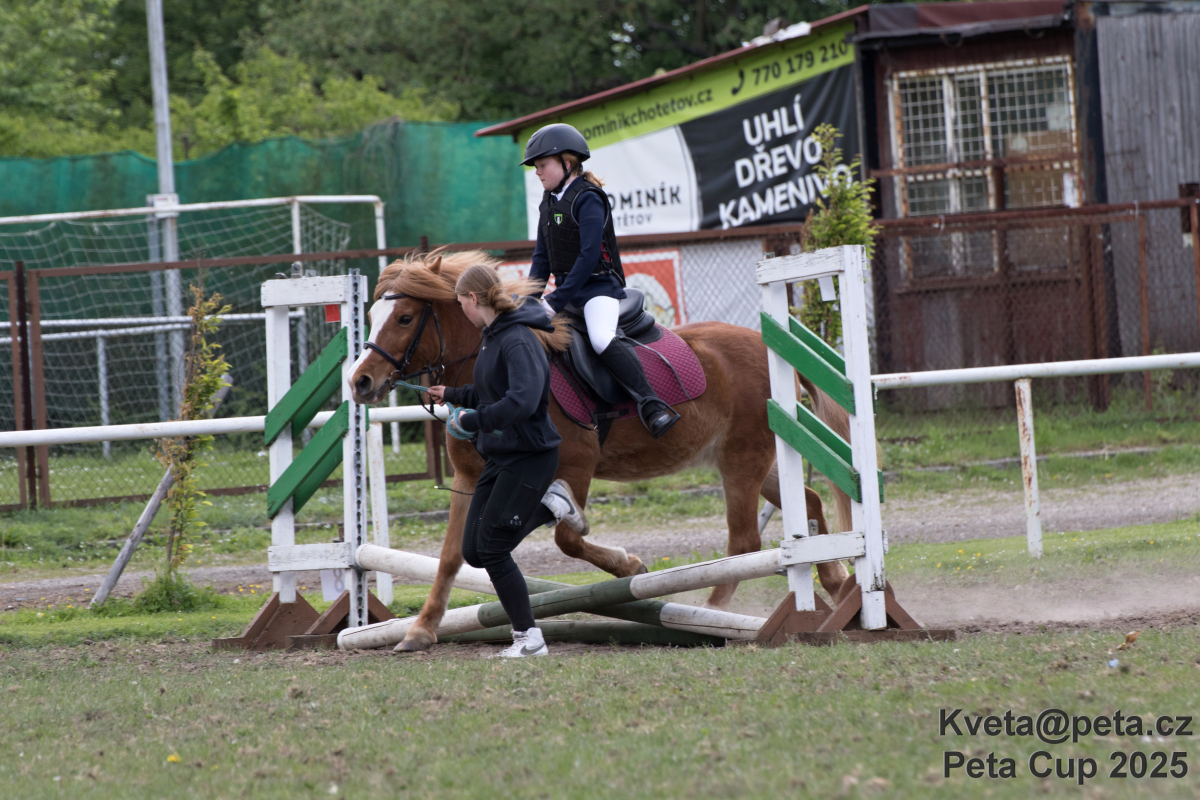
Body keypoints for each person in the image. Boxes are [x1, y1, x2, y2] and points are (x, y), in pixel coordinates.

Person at [428, 264, 588, 658]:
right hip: (502, 455)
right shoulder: (492, 336)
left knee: (494, 549)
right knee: (475, 551)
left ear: (472, 299)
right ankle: (552, 507)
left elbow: (521, 401)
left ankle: (529, 640)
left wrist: (472, 420)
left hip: (530, 455)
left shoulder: (516, 339)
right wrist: (454, 394)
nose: (461, 310)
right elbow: (491, 390)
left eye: (460, 303)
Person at [523, 123, 680, 438]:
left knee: (600, 338)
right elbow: (542, 259)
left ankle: (652, 404)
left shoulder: (588, 198)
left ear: (567, 162)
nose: (537, 172)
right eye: (535, 167)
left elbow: (588, 256)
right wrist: (528, 300)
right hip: (568, 294)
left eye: (542, 165)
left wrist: (553, 302)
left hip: (598, 290)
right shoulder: (548, 201)